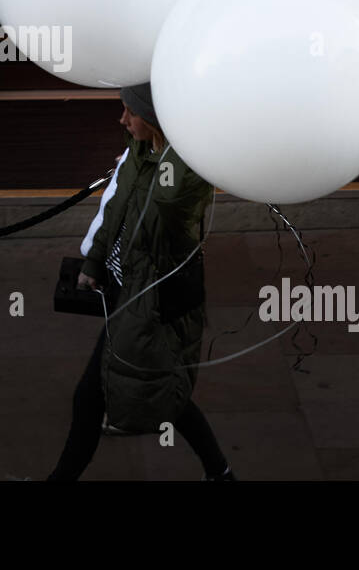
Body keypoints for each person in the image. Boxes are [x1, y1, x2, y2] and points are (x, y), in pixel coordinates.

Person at [48, 83, 235, 481]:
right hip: (126, 287)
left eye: (130, 111)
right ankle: (220, 473)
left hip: (149, 298)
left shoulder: (183, 173)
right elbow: (117, 206)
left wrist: (180, 138)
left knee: (99, 395)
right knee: (161, 386)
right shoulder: (139, 148)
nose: (122, 119)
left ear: (155, 118)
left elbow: (166, 205)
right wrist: (94, 262)